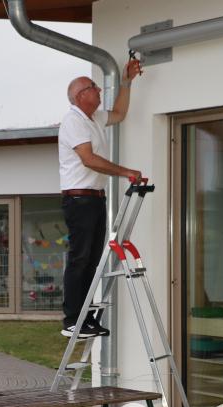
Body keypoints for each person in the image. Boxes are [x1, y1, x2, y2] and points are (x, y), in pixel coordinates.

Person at [59, 59, 143, 338]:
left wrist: (127, 81)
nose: (98, 91)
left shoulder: (94, 118)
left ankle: (86, 317)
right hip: (79, 199)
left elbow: (119, 113)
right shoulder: (73, 120)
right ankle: (72, 319)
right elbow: (89, 159)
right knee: (80, 258)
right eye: (94, 87)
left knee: (92, 259)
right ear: (80, 95)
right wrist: (125, 172)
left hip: (94, 199)